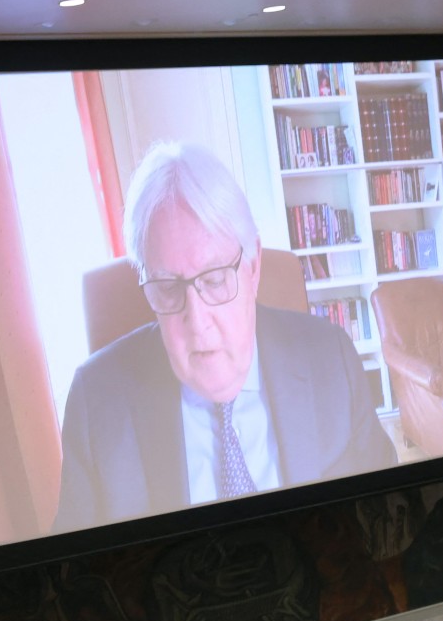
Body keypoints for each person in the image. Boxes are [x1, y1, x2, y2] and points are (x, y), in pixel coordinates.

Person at [51, 142, 396, 533]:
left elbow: (384, 516)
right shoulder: (95, 402)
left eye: (215, 280)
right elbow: (79, 571)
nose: (197, 321)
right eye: (168, 287)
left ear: (252, 267)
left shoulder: (331, 360)